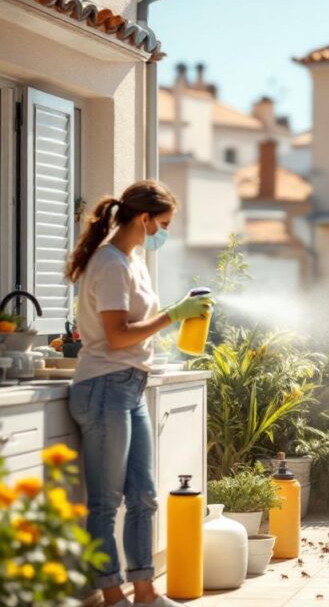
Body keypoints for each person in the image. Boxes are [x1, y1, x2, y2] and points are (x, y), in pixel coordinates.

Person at [64, 180, 214, 606]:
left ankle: (145, 593)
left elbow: (138, 326)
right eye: (162, 224)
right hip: (103, 387)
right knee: (106, 502)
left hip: (130, 386)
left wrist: (183, 312)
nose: (164, 233)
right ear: (144, 218)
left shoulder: (134, 261)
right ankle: (114, 596)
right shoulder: (109, 263)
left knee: (144, 496)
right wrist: (174, 314)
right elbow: (116, 336)